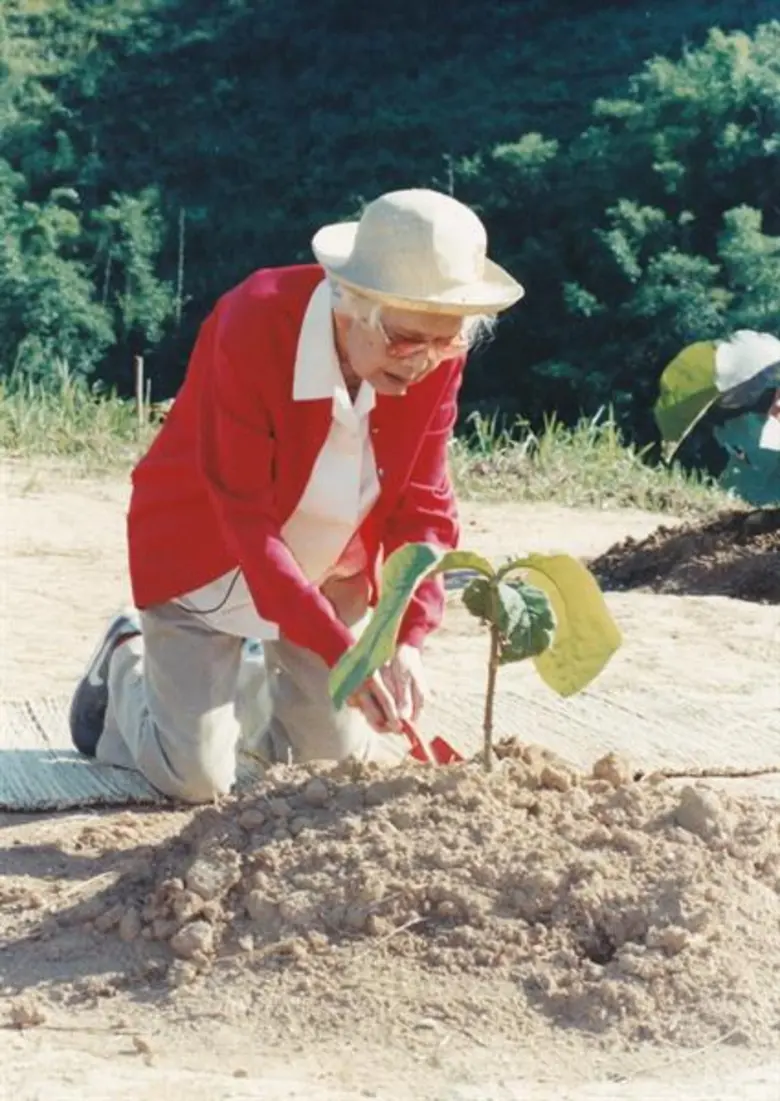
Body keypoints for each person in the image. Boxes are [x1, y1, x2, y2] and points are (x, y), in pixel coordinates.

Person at [69, 188, 524, 803]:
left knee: (328, 771)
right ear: (350, 302)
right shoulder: (251, 321)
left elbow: (425, 503)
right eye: (407, 341)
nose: (424, 364)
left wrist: (408, 638)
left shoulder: (433, 348)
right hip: (210, 558)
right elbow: (247, 523)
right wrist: (347, 654)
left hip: (329, 570)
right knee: (196, 781)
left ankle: (244, 681)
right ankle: (126, 659)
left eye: (448, 342)